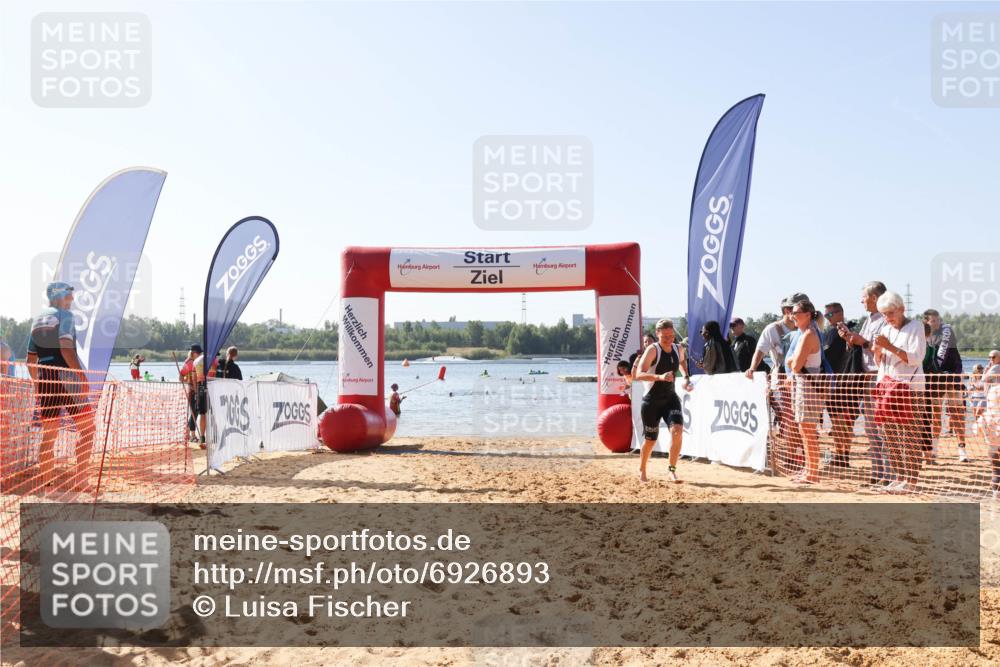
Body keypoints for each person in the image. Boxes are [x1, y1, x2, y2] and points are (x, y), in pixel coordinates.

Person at [24, 282, 96, 492]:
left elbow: (30, 358)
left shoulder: (37, 320)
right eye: (69, 296)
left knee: (49, 433)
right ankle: (80, 481)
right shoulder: (65, 316)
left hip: (46, 377)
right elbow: (66, 349)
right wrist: (80, 376)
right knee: (88, 429)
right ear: (60, 296)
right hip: (66, 376)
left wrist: (38, 383)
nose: (72, 300)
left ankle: (48, 483)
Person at [873, 291, 927, 494]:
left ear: (902, 309)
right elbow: (880, 362)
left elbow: (916, 358)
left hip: (910, 389)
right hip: (887, 387)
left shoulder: (916, 327)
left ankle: (911, 481)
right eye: (884, 314)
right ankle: (899, 477)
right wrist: (878, 350)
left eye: (890, 313)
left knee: (910, 435)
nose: (888, 318)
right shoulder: (885, 328)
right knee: (889, 434)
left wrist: (889, 346)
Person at [839, 281, 891, 487]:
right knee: (871, 429)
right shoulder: (869, 319)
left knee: (882, 429)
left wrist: (863, 342)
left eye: (864, 297)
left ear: (875, 298)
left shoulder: (886, 320)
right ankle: (877, 473)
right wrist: (849, 338)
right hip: (867, 378)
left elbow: (882, 349)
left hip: (879, 376)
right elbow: (864, 344)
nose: (861, 300)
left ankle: (887, 474)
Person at [634, 319, 694, 483]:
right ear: (658, 334)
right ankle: (642, 469)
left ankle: (672, 470)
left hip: (670, 398)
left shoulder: (678, 348)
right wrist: (659, 377)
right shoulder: (652, 350)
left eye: (671, 336)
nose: (669, 339)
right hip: (651, 401)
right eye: (665, 336)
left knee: (677, 431)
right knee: (650, 440)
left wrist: (686, 377)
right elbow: (638, 375)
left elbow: (681, 361)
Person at [785, 299, 827, 484]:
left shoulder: (809, 334)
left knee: (807, 430)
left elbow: (795, 365)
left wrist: (790, 362)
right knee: (804, 430)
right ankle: (809, 470)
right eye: (792, 313)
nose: (792, 316)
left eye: (796, 313)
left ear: (808, 315)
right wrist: (792, 362)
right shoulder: (806, 333)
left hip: (808, 387)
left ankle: (812, 473)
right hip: (806, 386)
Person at [923, 309, 968, 462]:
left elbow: (949, 357)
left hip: (952, 379)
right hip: (935, 382)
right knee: (936, 416)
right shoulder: (926, 337)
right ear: (926, 322)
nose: (936, 323)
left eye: (937, 320)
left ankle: (962, 450)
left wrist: (955, 374)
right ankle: (934, 448)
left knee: (957, 415)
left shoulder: (947, 332)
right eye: (932, 321)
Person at [822, 302, 855, 468]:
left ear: (839, 313)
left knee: (844, 421)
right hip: (834, 383)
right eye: (826, 315)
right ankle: (840, 454)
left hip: (844, 383)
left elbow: (827, 355)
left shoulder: (846, 331)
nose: (827, 318)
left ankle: (844, 455)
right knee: (837, 421)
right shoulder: (831, 332)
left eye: (829, 315)